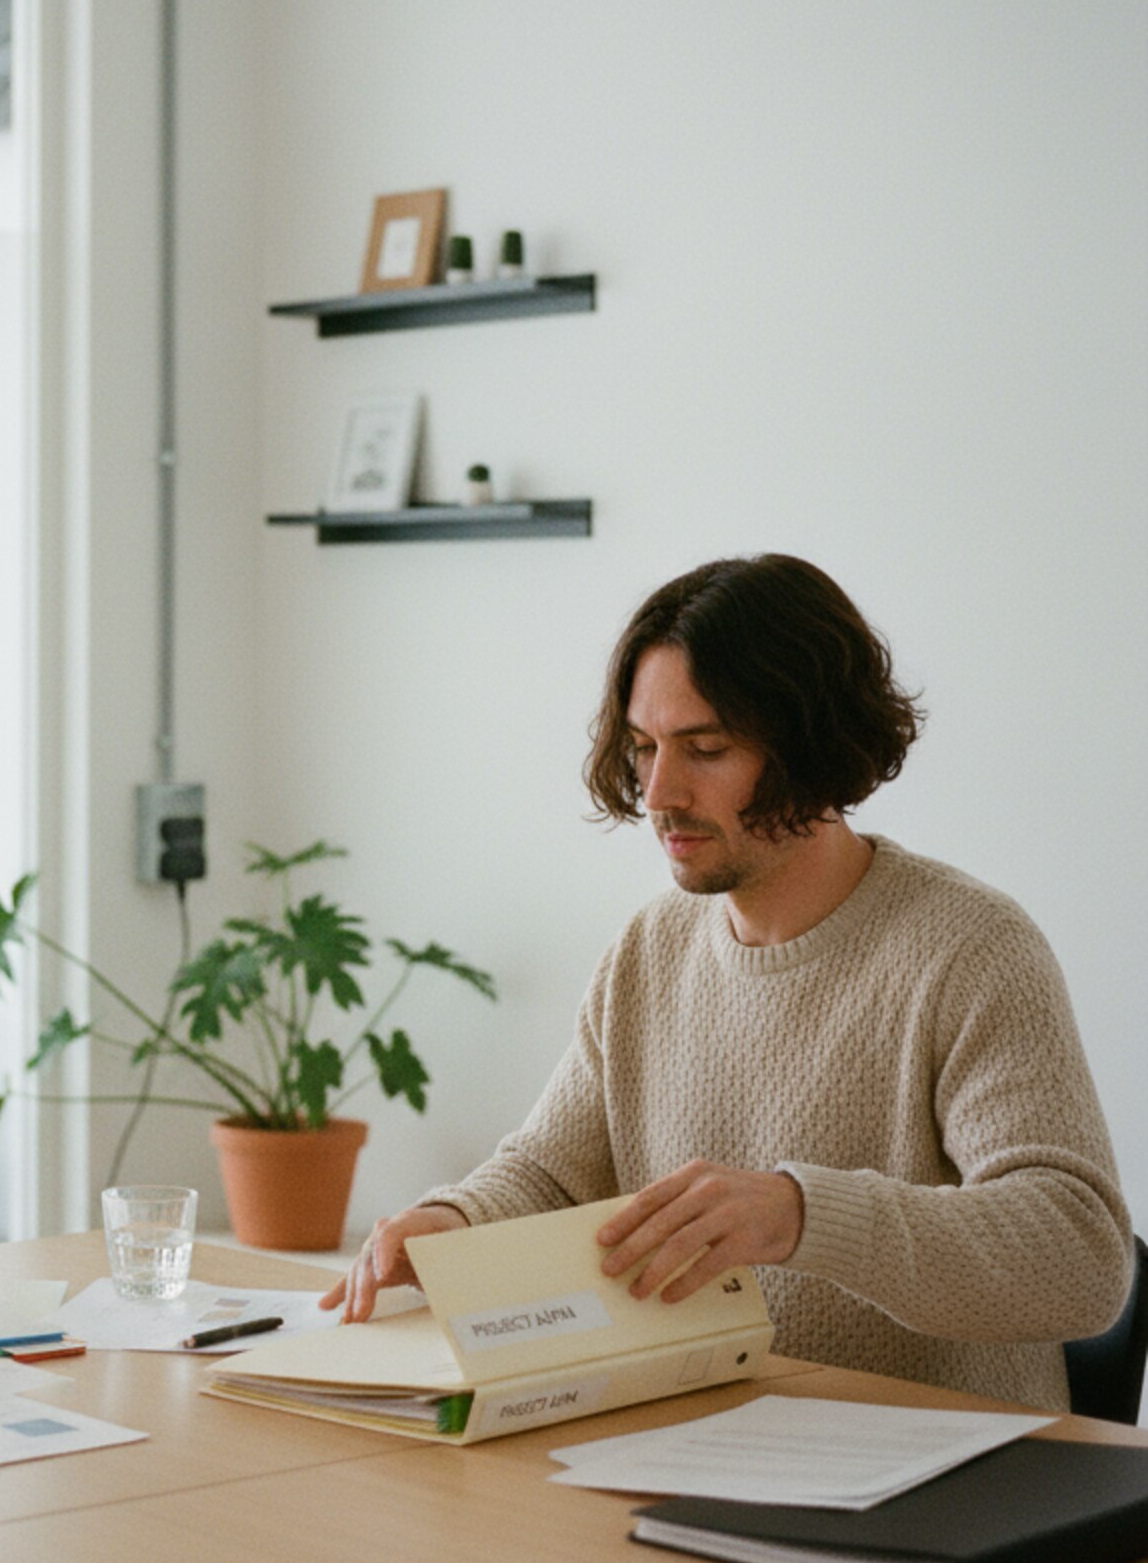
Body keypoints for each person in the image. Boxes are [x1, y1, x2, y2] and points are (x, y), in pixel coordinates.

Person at [325, 554, 1130, 1410]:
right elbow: (552, 1177)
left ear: (814, 746)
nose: (660, 793)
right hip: (703, 1441)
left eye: (705, 749)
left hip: (940, 1477)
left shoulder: (970, 949)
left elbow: (1080, 1260)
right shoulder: (648, 950)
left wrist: (800, 1214)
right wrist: (452, 1226)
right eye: (643, 749)